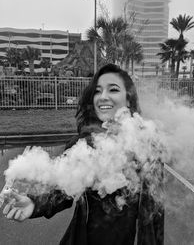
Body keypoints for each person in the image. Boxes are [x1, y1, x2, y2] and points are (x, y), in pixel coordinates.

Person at [2, 64, 164, 245]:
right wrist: (34, 204)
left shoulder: (147, 148)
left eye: (113, 89)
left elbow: (154, 214)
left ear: (128, 98)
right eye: (97, 91)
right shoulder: (82, 144)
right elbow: (62, 191)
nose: (103, 97)